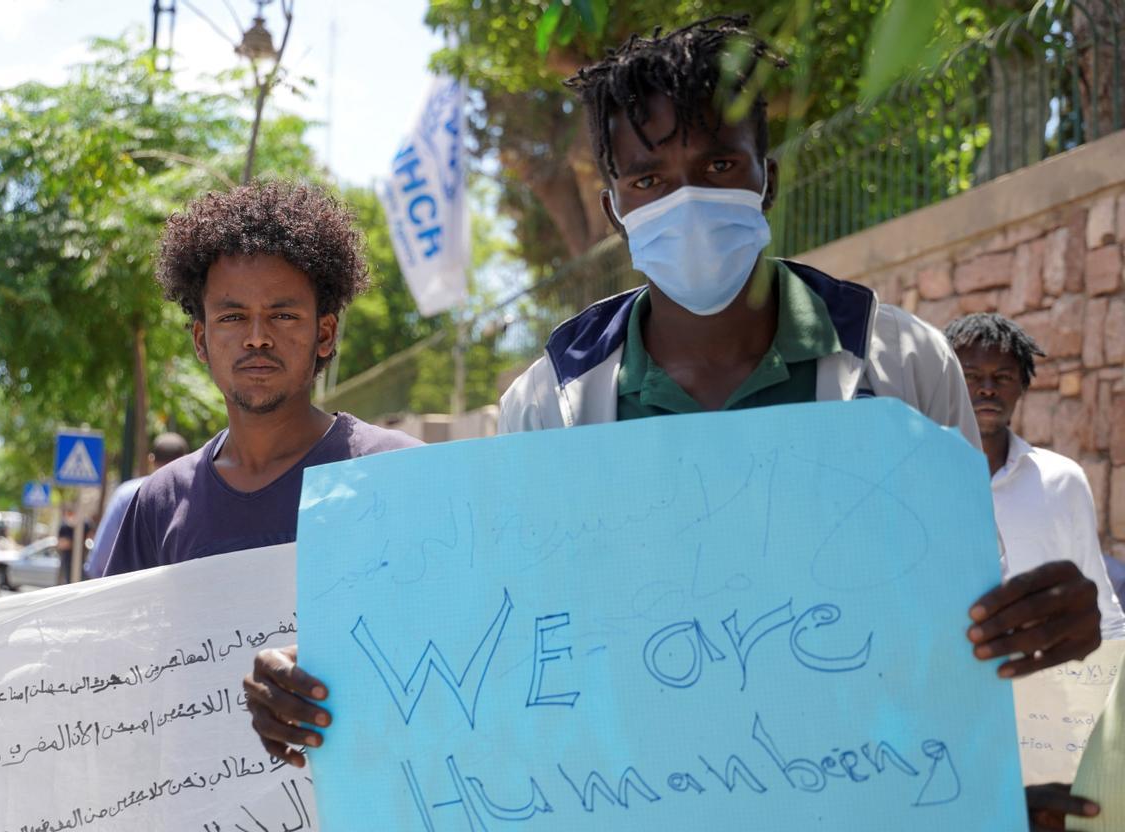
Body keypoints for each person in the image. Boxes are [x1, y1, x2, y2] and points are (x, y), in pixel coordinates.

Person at [242, 20, 1102, 815]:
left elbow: (963, 615)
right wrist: (328, 692)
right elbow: (501, 641)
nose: (686, 201)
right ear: (615, 205)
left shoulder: (902, 365)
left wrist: (1049, 638)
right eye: (649, 180)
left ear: (770, 175)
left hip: (859, 800)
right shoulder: (549, 404)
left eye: (720, 166)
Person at [104, 182, 419, 576]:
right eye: (232, 317)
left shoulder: (399, 472)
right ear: (201, 340)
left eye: (283, 316)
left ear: (324, 335)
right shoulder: (160, 503)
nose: (257, 337)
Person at [945, 312, 1125, 641]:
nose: (987, 389)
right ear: (948, 383)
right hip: (944, 680)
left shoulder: (1062, 479)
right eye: (971, 376)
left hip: (1044, 680)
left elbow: (1098, 601)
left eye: (1002, 377)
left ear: (1022, 386)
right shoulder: (915, 479)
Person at [84, 432, 189, 579]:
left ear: (151, 459)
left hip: (132, 595)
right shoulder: (195, 497)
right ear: (186, 459)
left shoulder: (127, 494)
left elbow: (100, 561)